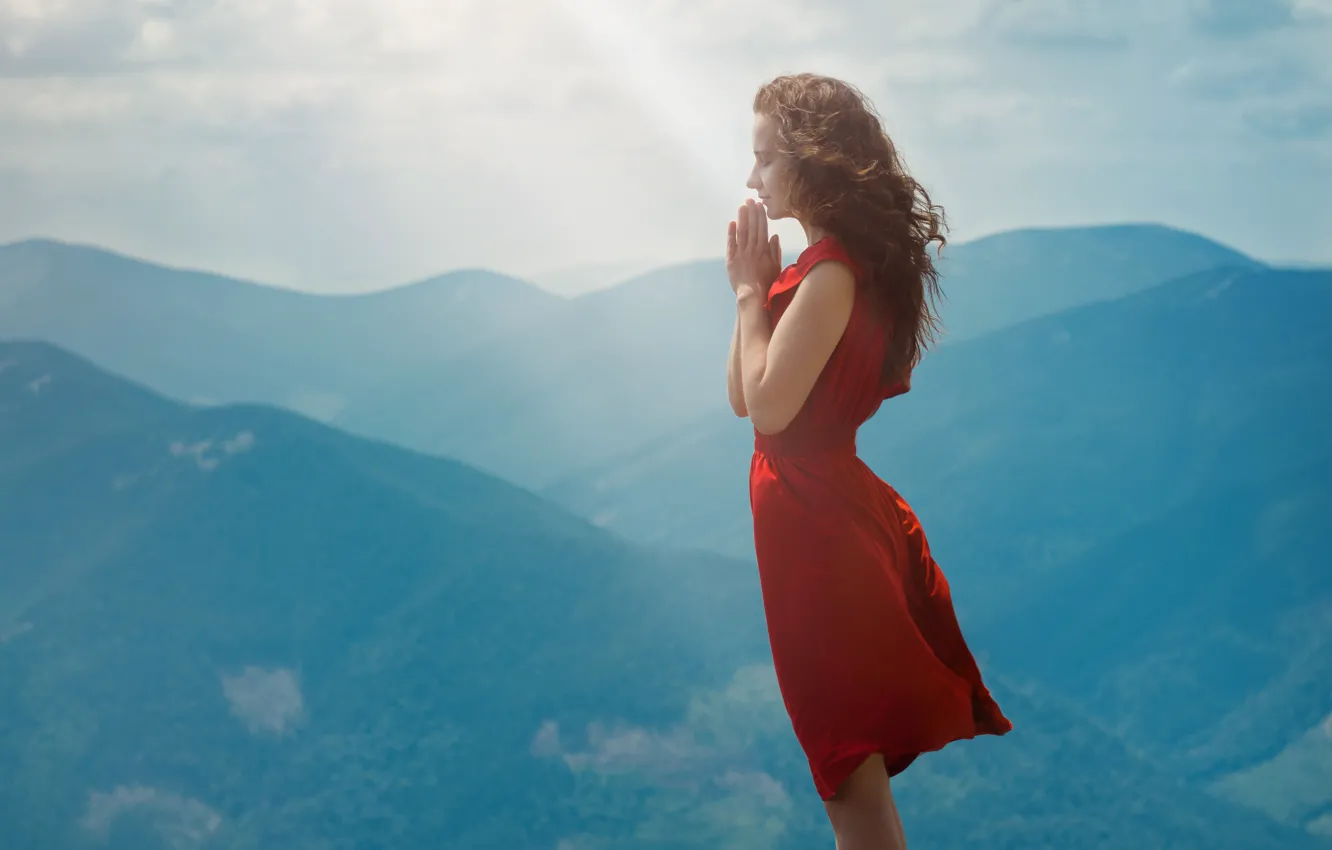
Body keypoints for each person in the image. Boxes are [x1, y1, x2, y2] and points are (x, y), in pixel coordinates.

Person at [724, 73, 1013, 849]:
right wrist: (754, 290)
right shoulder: (816, 270)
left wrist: (751, 297)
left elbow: (769, 408)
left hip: (818, 531)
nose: (752, 177)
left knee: (846, 766)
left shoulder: (830, 275)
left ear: (811, 159)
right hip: (814, 518)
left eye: (765, 158)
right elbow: (743, 397)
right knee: (846, 768)